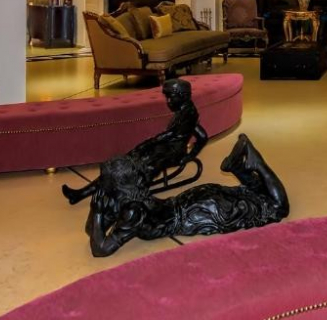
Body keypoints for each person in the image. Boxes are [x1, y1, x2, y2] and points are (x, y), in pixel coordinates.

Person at [87, 134, 290, 257]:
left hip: (197, 212)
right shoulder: (127, 198)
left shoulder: (133, 211)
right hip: (192, 201)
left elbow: (100, 249)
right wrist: (98, 213)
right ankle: (239, 167)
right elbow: (92, 231)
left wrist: (96, 212)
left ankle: (256, 162)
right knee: (253, 196)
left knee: (277, 208)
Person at [61, 79, 208, 204]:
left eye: (171, 97)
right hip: (164, 148)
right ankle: (82, 193)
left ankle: (133, 192)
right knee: (125, 162)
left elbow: (170, 135)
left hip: (170, 153)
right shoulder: (186, 110)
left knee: (140, 165)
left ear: (183, 96)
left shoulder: (188, 113)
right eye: (167, 97)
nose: (168, 101)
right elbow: (201, 135)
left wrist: (188, 156)